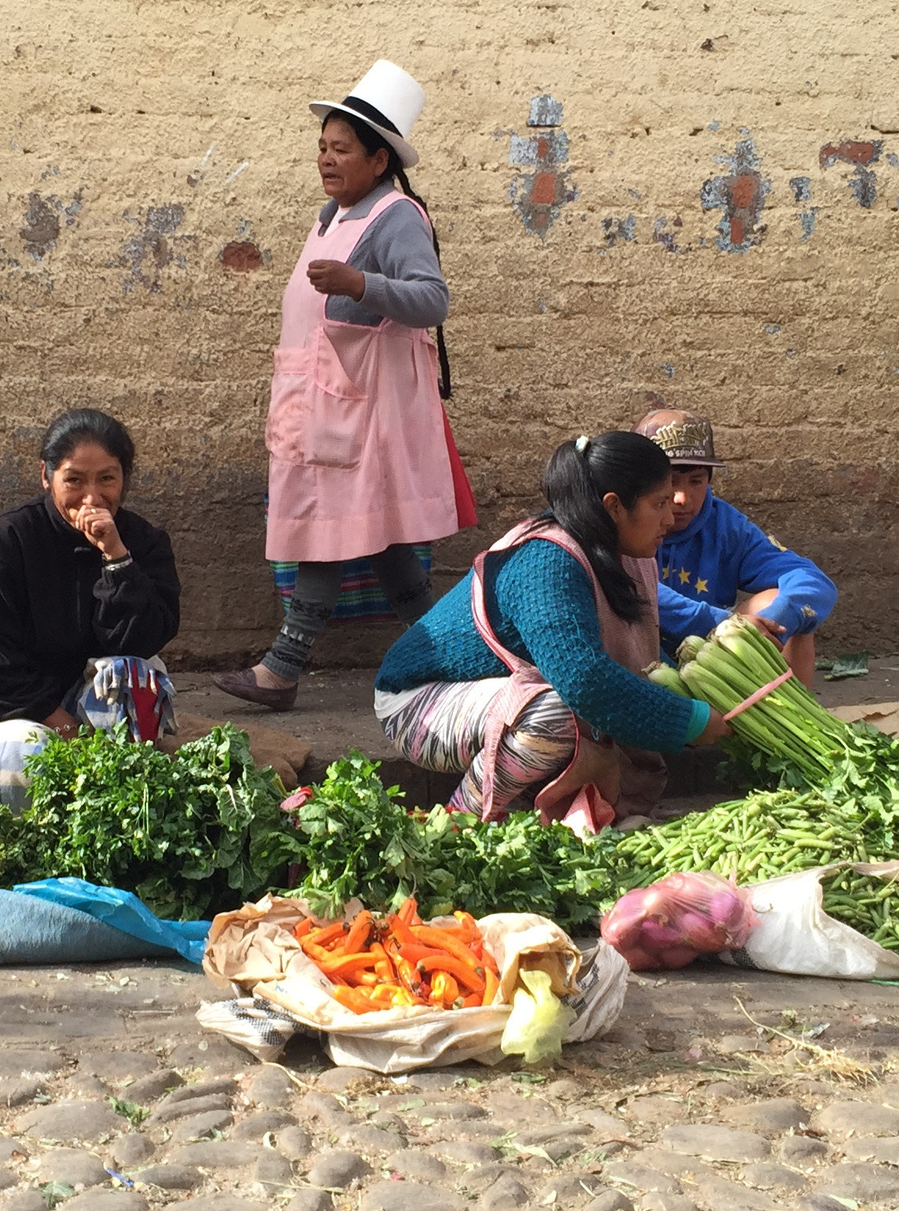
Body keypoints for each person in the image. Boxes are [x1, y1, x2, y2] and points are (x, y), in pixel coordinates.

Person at [216, 61, 473, 712]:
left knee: (332, 531)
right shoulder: (334, 213)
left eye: (341, 149)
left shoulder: (395, 218)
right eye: (322, 148)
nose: (327, 160)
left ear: (378, 157)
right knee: (379, 542)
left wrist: (362, 285)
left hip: (365, 417)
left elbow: (432, 300)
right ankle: (454, 657)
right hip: (324, 408)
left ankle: (283, 668)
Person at [375, 432, 728, 825]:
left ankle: (533, 809)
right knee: (564, 709)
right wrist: (690, 721)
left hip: (502, 695)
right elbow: (584, 679)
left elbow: (639, 650)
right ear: (613, 507)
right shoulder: (547, 561)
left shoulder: (618, 554)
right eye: (659, 503)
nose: (670, 516)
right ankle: (462, 818)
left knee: (580, 706)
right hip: (416, 706)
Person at [0, 409, 183, 808]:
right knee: (20, 753)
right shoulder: (10, 541)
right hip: (7, 710)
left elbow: (145, 638)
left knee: (134, 675)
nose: (91, 498)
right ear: (47, 476)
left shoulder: (141, 543)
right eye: (74, 480)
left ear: (124, 478)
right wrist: (67, 731)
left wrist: (117, 558)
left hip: (93, 702)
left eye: (107, 479)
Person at [634, 408, 836, 685]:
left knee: (787, 605)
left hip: (714, 659)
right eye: (669, 482)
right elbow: (636, 591)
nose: (681, 497)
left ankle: (790, 719)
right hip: (639, 661)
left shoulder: (726, 526)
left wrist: (775, 620)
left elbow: (811, 581)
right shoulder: (626, 522)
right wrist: (726, 625)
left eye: (696, 481)